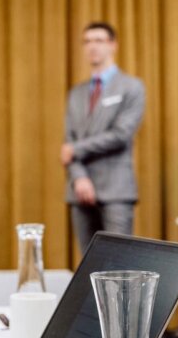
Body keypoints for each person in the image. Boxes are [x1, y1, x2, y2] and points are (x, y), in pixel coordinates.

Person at [61, 22, 146, 257]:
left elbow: (121, 134)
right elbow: (68, 140)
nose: (92, 47)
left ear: (113, 45)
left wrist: (76, 149)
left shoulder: (131, 87)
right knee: (87, 264)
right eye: (87, 41)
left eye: (98, 40)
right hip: (80, 189)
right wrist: (79, 178)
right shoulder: (76, 93)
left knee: (118, 263)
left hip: (116, 190)